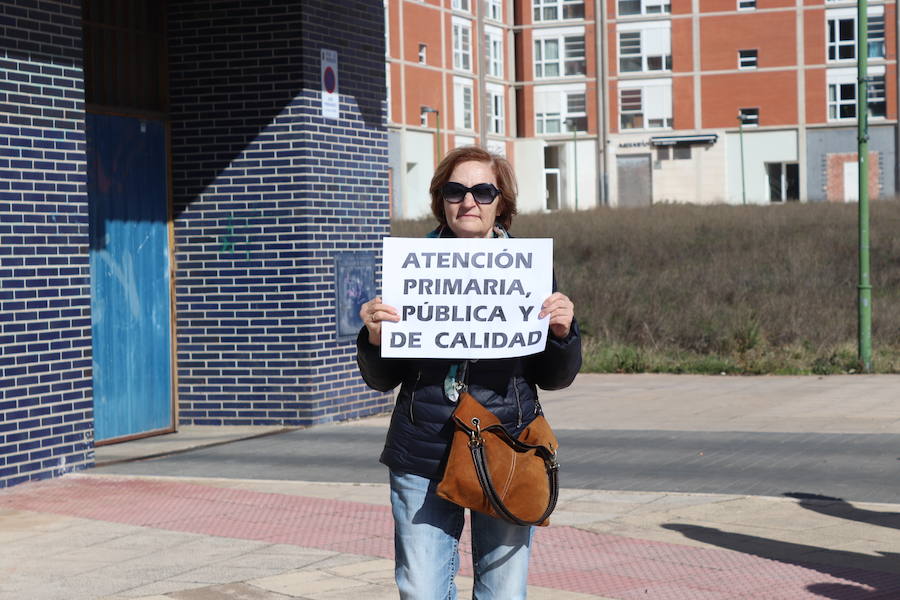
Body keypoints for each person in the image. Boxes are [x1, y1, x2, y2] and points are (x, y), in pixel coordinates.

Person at [356, 146, 582, 599]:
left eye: (483, 191)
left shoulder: (529, 269)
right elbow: (380, 380)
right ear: (441, 199)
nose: (469, 202)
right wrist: (375, 339)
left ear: (502, 203)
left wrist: (562, 332)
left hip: (507, 445)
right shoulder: (411, 267)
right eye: (456, 191)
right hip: (422, 452)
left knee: (503, 591)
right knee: (421, 590)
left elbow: (556, 376)